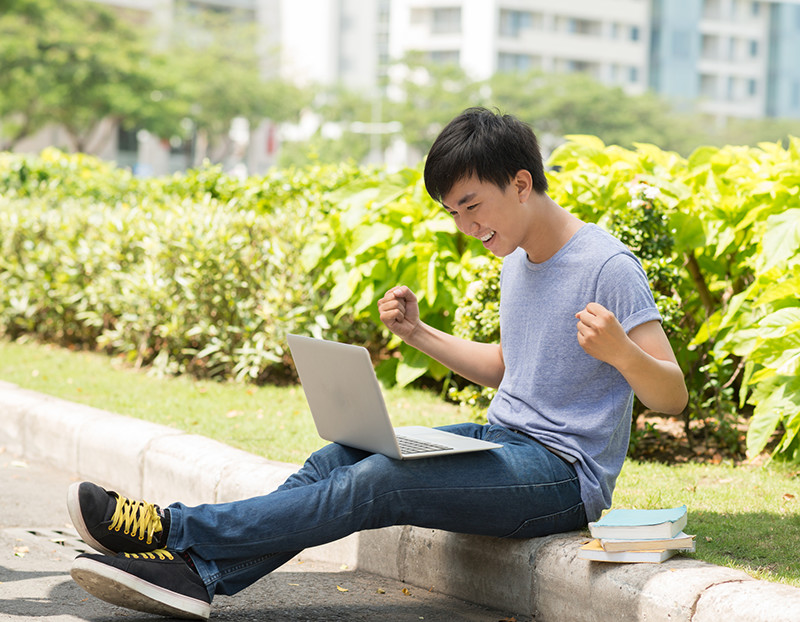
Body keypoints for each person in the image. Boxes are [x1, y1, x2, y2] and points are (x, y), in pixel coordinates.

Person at [67, 107, 688, 620]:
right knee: (338, 457)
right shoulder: (519, 263)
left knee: (382, 481)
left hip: (562, 477)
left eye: (473, 206)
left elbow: (672, 397)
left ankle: (169, 531)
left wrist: (622, 353)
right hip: (500, 442)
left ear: (521, 184)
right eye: (453, 212)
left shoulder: (609, 267)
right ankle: (198, 576)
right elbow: (510, 369)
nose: (466, 226)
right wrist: (416, 333)